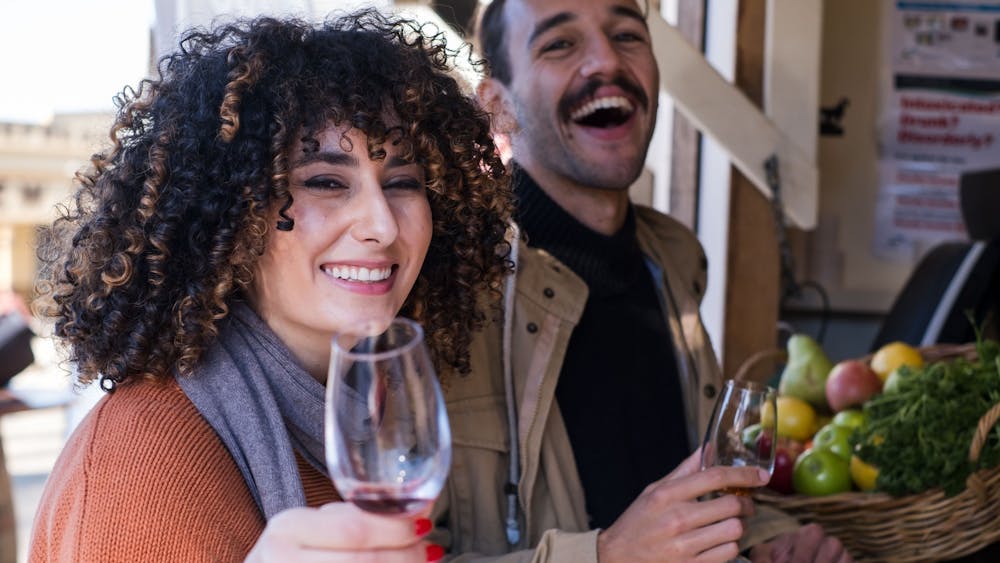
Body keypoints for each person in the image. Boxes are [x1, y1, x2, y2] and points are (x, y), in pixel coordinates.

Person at [29, 10, 512, 562]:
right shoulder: (142, 462)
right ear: (230, 216)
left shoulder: (371, 416)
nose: (381, 225)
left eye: (403, 182)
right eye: (326, 182)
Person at [426, 0, 854, 561]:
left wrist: (766, 536)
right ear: (497, 105)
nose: (606, 60)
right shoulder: (438, 294)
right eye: (560, 43)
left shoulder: (673, 266)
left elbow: (681, 497)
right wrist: (603, 556)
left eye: (628, 34)